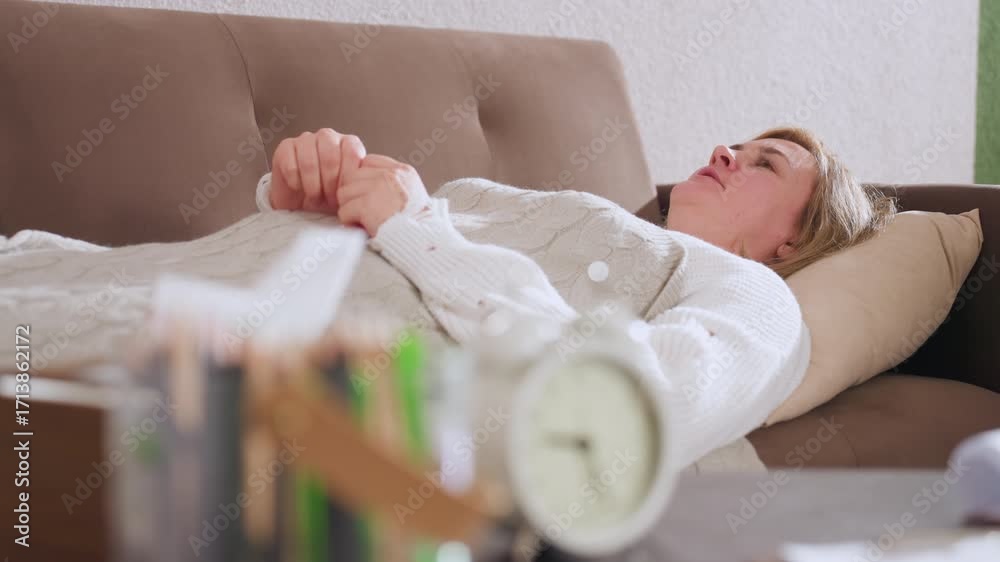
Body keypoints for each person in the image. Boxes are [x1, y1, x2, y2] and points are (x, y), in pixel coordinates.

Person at [257, 126, 895, 470]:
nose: (724, 150)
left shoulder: (758, 299)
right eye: (739, 143)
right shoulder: (588, 218)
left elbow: (637, 402)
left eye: (766, 163)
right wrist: (310, 199)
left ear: (793, 245)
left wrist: (415, 230)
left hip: (262, 379)